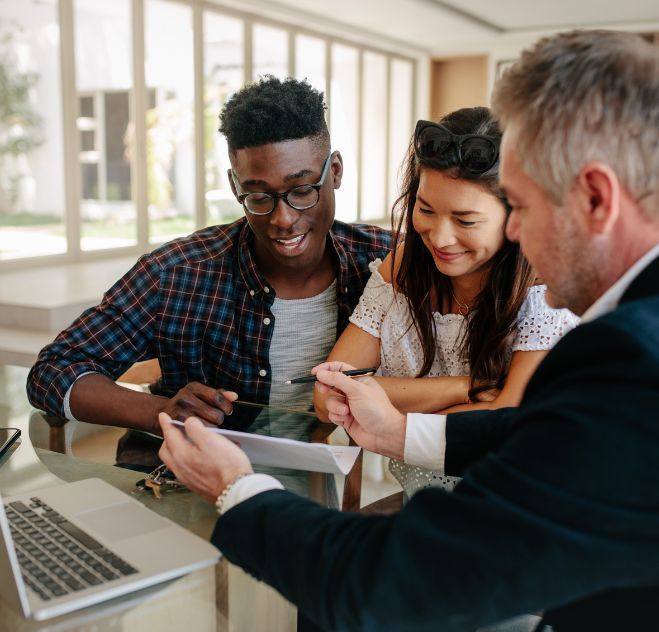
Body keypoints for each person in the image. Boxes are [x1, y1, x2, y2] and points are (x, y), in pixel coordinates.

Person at [158, 30, 659, 631]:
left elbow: (393, 585)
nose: (516, 235)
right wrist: (402, 434)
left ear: (596, 198)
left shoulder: (630, 358)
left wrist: (235, 487)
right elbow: (529, 429)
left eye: (519, 206)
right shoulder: (632, 341)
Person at [26, 77, 391, 433]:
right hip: (186, 483)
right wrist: (160, 412)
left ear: (336, 172)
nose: (283, 218)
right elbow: (53, 371)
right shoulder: (177, 274)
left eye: (302, 190)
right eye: (259, 196)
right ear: (235, 187)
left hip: (324, 485)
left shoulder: (385, 264)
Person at [314, 106, 578, 497]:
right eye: (425, 210)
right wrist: (466, 388)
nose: (439, 237)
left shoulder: (544, 288)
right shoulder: (401, 269)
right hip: (421, 508)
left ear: (516, 215)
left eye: (466, 220)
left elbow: (506, 422)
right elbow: (328, 397)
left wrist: (388, 406)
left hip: (519, 512)